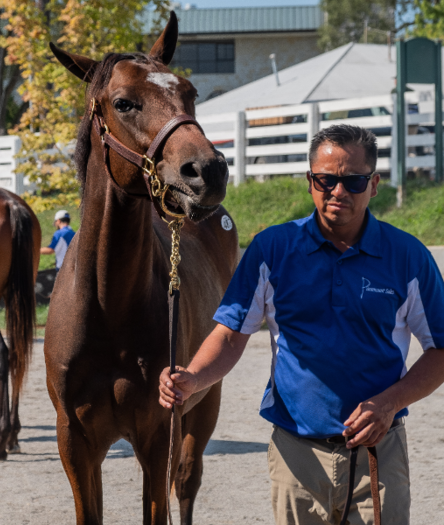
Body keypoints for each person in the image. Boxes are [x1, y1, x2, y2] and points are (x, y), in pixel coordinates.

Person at [159, 124, 444, 525]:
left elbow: (441, 350)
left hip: (378, 452)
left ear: (374, 184)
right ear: (310, 181)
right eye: (325, 180)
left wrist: (390, 402)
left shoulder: (409, 257)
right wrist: (192, 377)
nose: (338, 191)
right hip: (296, 456)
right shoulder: (272, 249)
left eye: (353, 181)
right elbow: (229, 335)